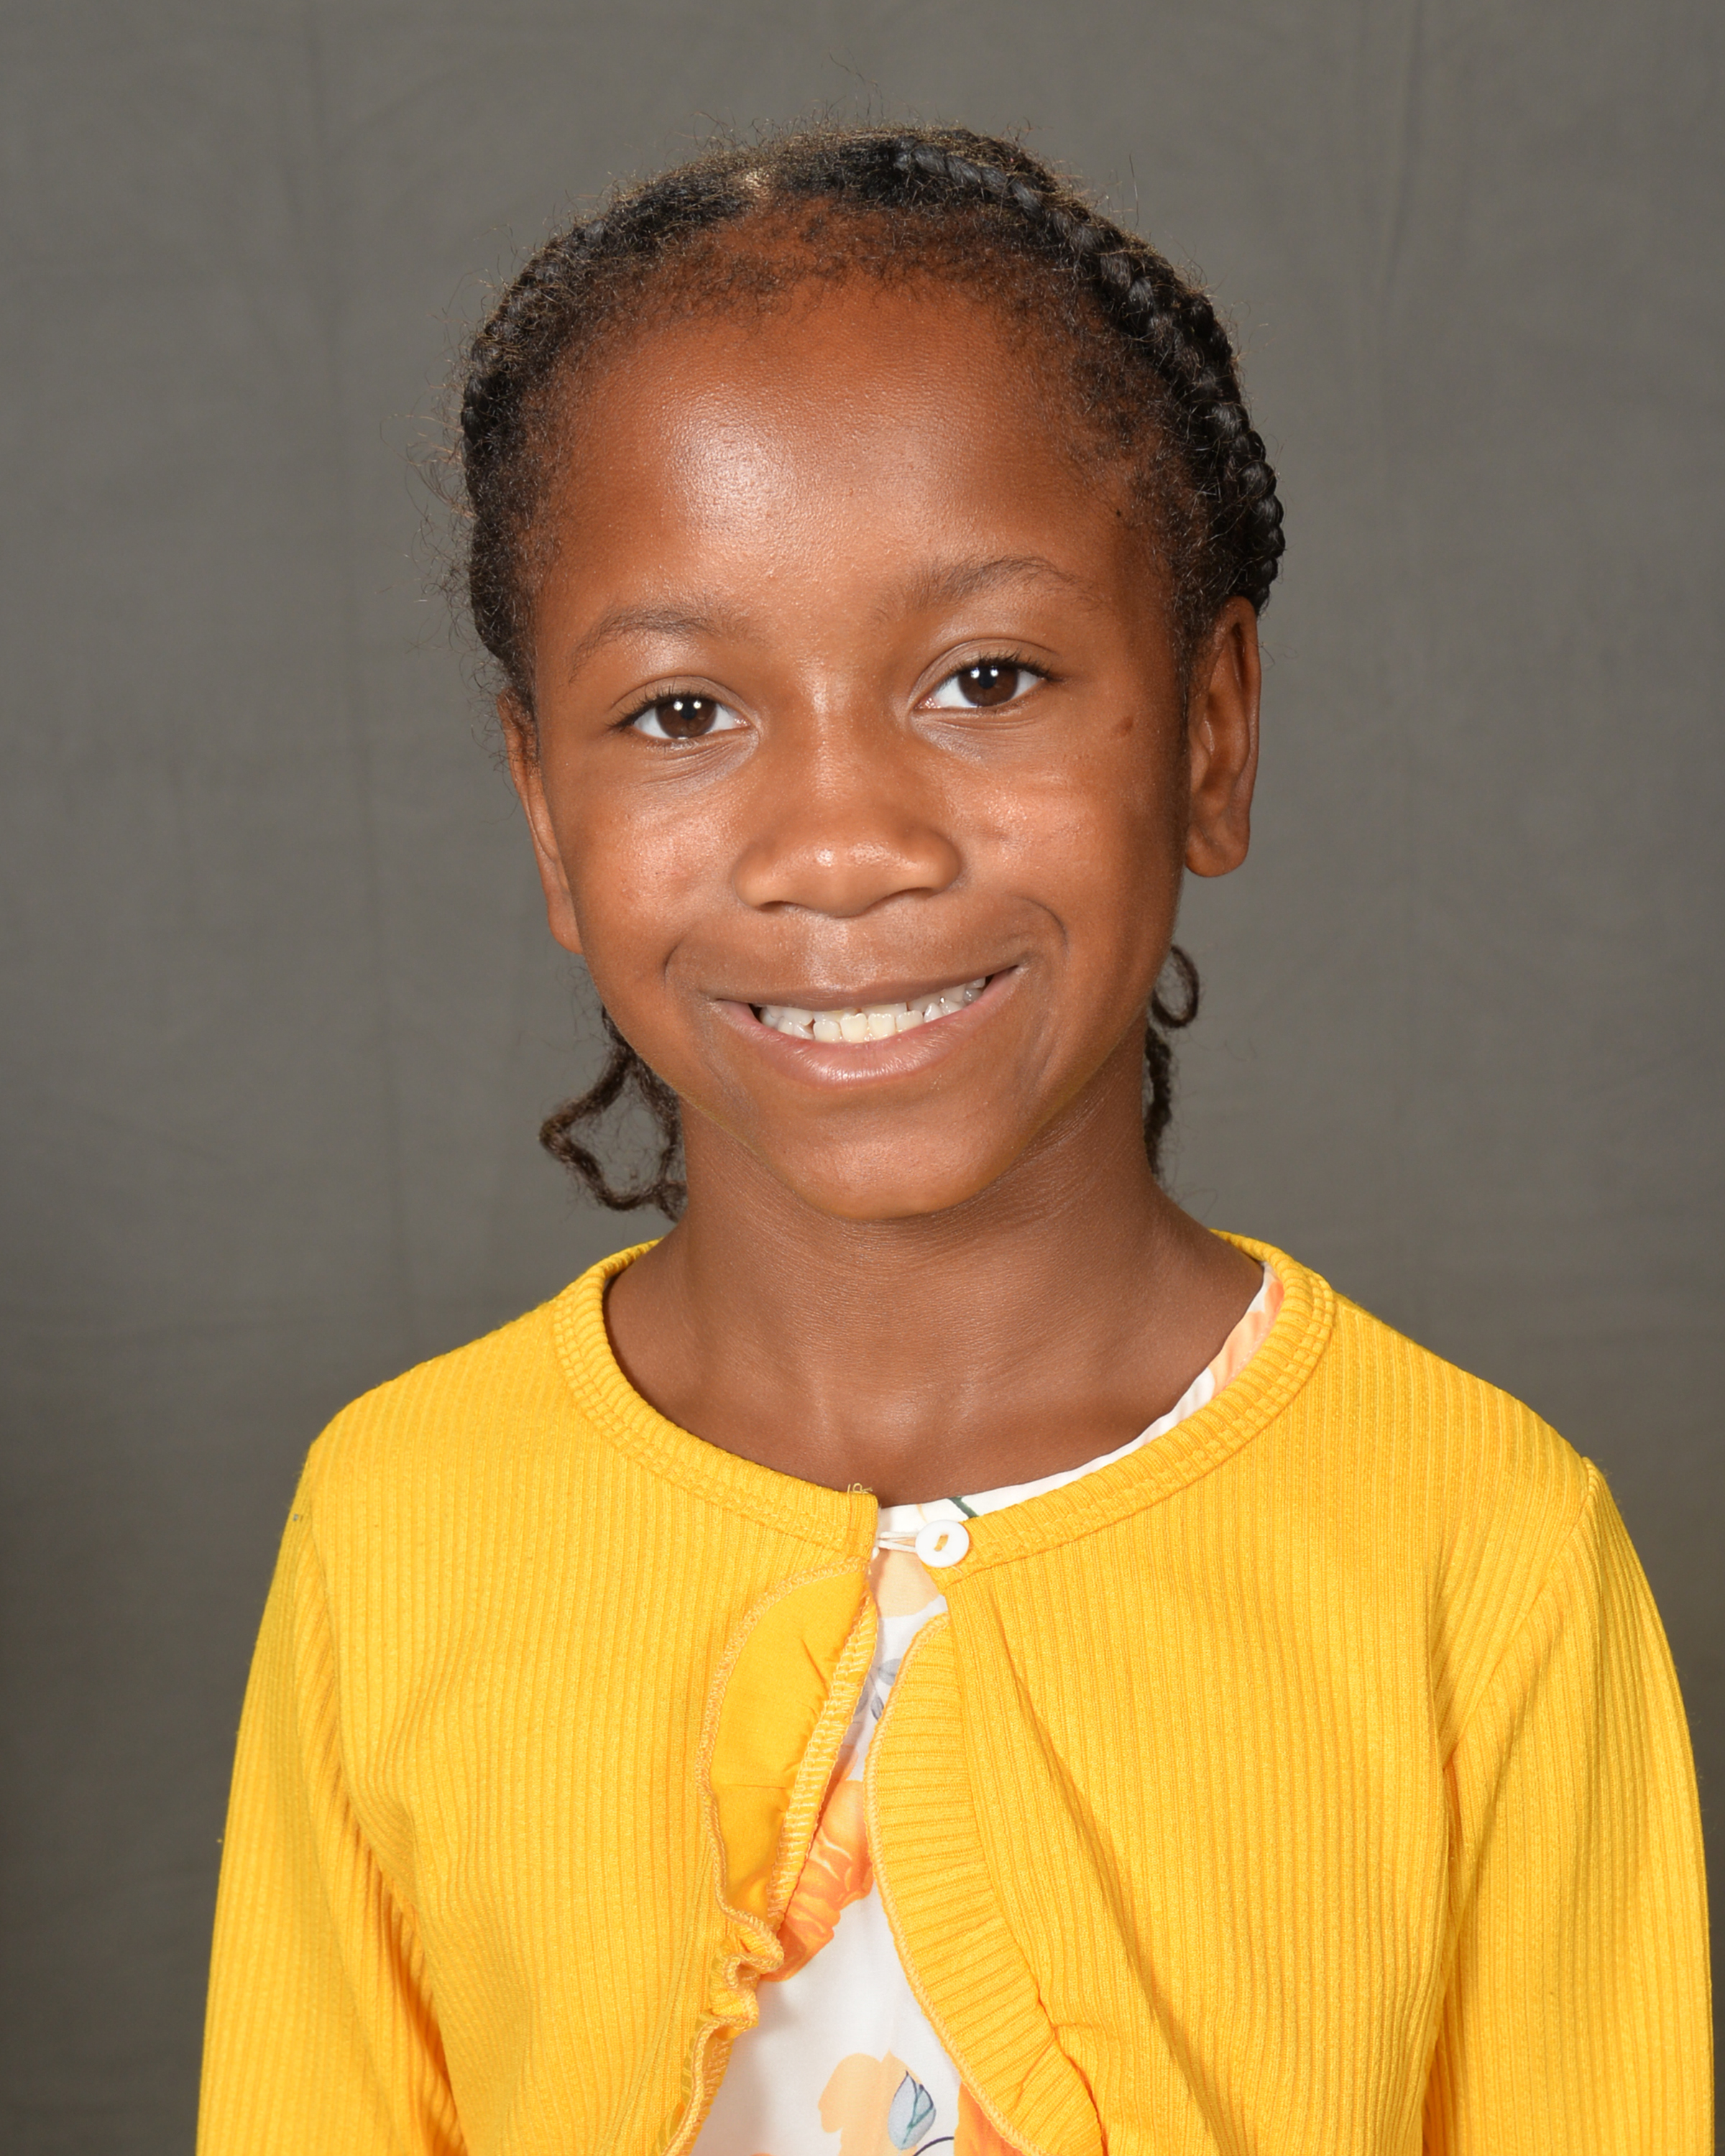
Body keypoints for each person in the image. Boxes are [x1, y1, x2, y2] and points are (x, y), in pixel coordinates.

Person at [196, 125, 1711, 2155]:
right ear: (546, 815)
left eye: (986, 678)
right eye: (680, 713)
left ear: (1213, 727)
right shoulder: (396, 1531)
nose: (843, 845)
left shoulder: (1484, 1554)